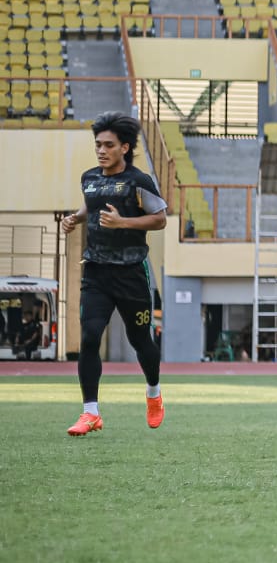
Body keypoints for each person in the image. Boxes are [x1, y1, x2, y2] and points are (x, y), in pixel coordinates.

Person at [60, 112, 168, 436]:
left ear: (124, 147)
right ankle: (90, 412)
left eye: (108, 145)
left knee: (140, 341)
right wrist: (75, 219)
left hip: (132, 272)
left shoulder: (139, 181)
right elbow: (92, 205)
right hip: (96, 271)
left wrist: (124, 223)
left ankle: (153, 393)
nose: (101, 150)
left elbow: (160, 219)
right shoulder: (89, 177)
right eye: (98, 145)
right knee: (90, 337)